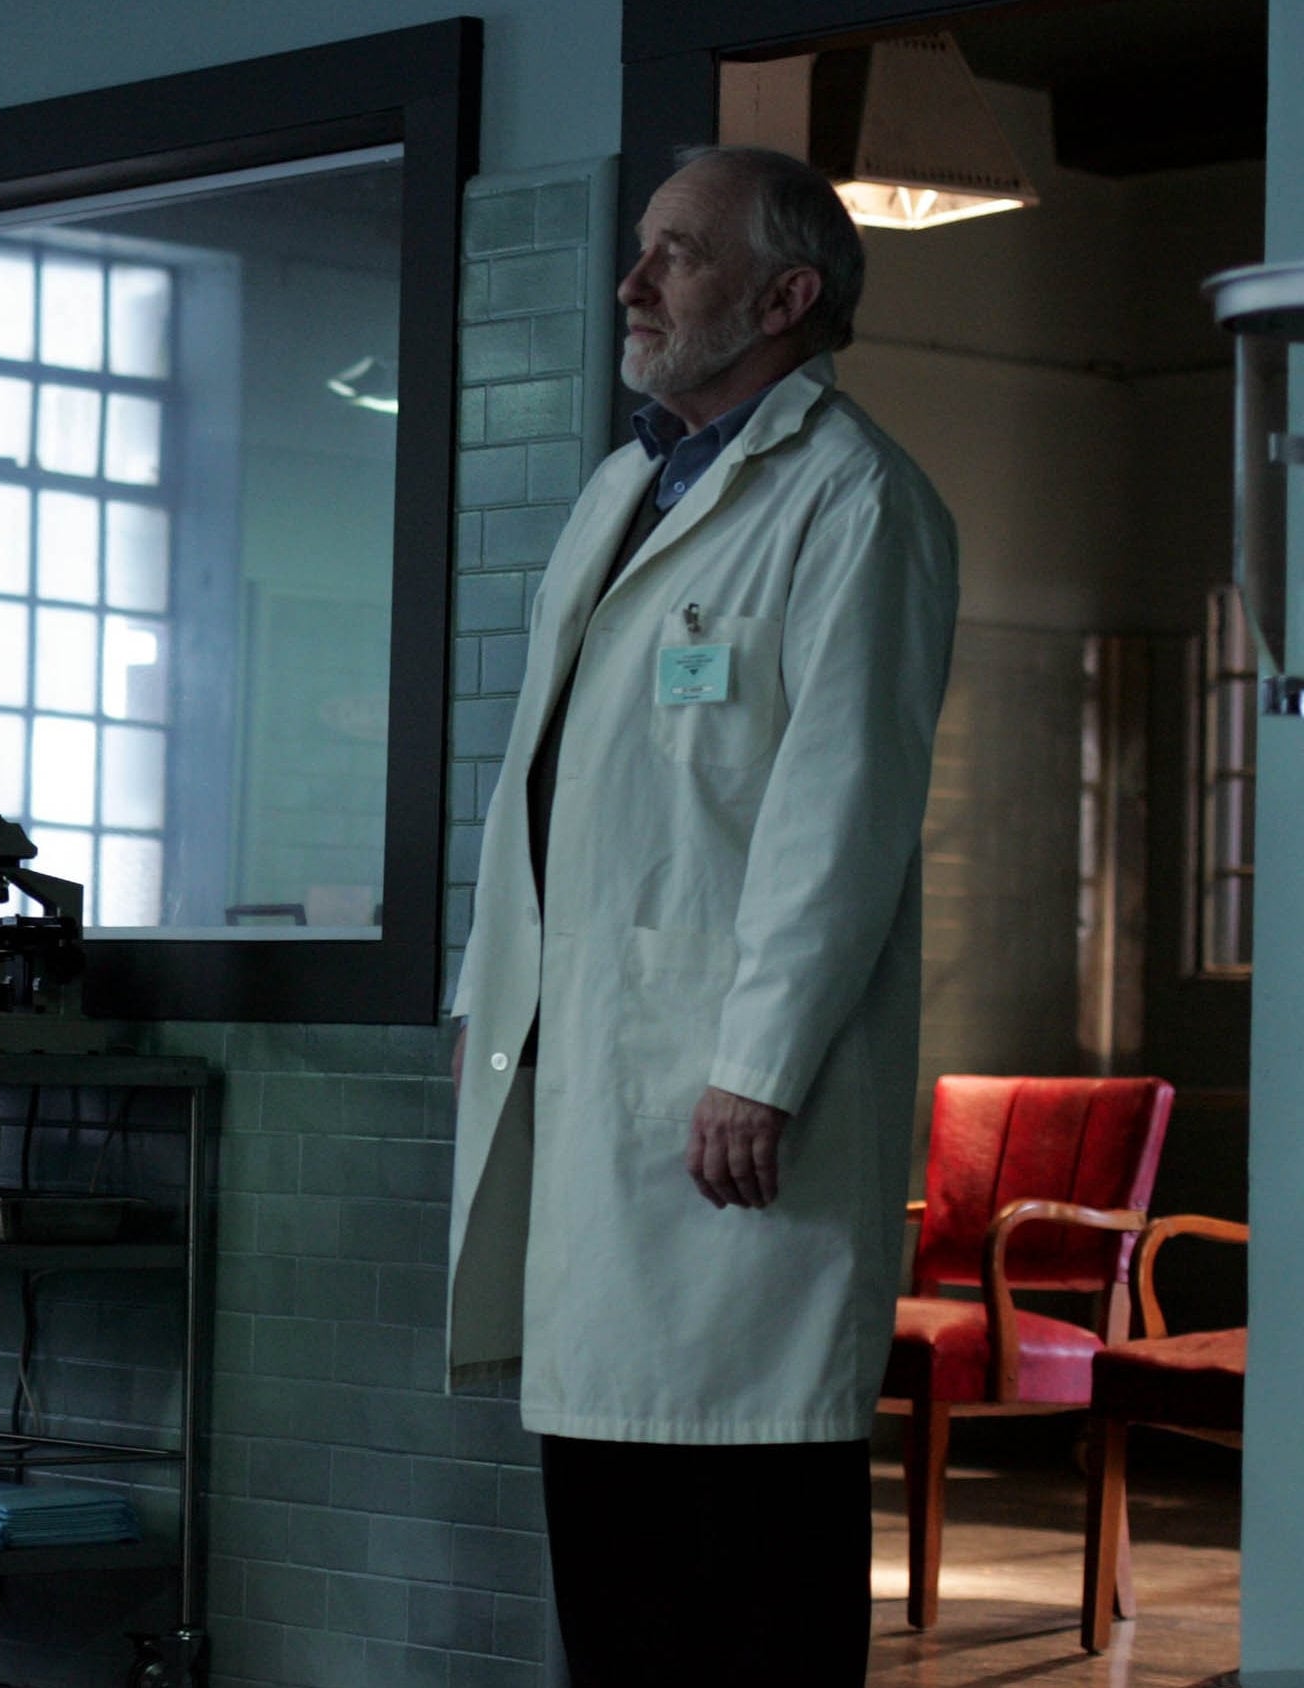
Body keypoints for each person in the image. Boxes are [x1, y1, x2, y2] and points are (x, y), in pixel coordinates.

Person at [445, 146, 958, 1686]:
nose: (633, 282)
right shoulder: (625, 490)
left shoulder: (856, 499)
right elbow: (538, 791)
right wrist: (490, 998)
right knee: (616, 1548)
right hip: (598, 1089)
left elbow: (840, 815)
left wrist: (759, 1066)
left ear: (787, 296)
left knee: (746, 1552)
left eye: (677, 253)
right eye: (642, 249)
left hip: (732, 1114)